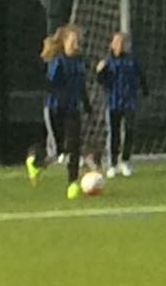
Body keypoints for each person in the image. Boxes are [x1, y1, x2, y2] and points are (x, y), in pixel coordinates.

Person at [26, 24, 90, 199]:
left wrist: (86, 103)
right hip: (55, 110)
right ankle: (35, 160)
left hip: (73, 109)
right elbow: (50, 84)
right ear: (64, 43)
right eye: (72, 41)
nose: (76, 45)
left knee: (74, 146)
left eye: (78, 41)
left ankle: (72, 183)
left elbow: (81, 84)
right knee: (56, 151)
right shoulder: (58, 62)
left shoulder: (80, 61)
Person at [96, 31, 148, 178]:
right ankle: (112, 164)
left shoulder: (131, 60)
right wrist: (99, 72)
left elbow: (141, 76)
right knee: (114, 133)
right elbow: (101, 81)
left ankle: (125, 161)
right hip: (113, 103)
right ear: (112, 45)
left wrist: (144, 90)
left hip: (129, 102)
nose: (120, 45)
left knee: (129, 131)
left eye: (123, 42)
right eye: (117, 42)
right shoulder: (107, 62)